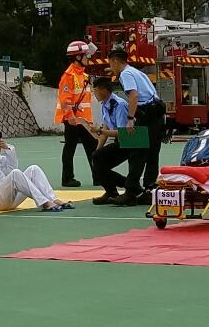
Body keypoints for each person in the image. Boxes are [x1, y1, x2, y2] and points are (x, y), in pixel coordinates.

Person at [0, 127, 70, 212]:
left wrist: (7, 148)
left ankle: (53, 199)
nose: (0, 149)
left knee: (33, 169)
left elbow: (12, 166)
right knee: (15, 174)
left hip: (8, 198)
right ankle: (45, 203)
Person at [107, 47, 164, 200]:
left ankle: (131, 191)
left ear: (115, 61)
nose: (111, 67)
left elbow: (133, 95)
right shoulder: (136, 72)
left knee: (137, 152)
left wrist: (130, 119)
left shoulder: (125, 74)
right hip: (157, 114)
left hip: (147, 114)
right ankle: (150, 188)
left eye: (110, 63)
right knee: (152, 153)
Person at [87, 77, 137, 205]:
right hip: (119, 141)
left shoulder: (119, 105)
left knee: (99, 162)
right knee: (97, 161)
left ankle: (130, 186)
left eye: (95, 90)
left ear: (104, 90)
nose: (94, 93)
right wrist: (97, 150)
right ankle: (112, 191)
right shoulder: (105, 104)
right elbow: (105, 130)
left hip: (129, 142)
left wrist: (99, 131)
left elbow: (122, 132)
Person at [55, 40, 96, 188]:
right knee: (70, 148)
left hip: (83, 120)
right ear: (78, 57)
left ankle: (98, 176)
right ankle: (67, 179)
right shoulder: (69, 75)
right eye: (86, 55)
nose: (88, 58)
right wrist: (70, 116)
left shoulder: (83, 75)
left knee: (92, 146)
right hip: (72, 119)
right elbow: (65, 99)